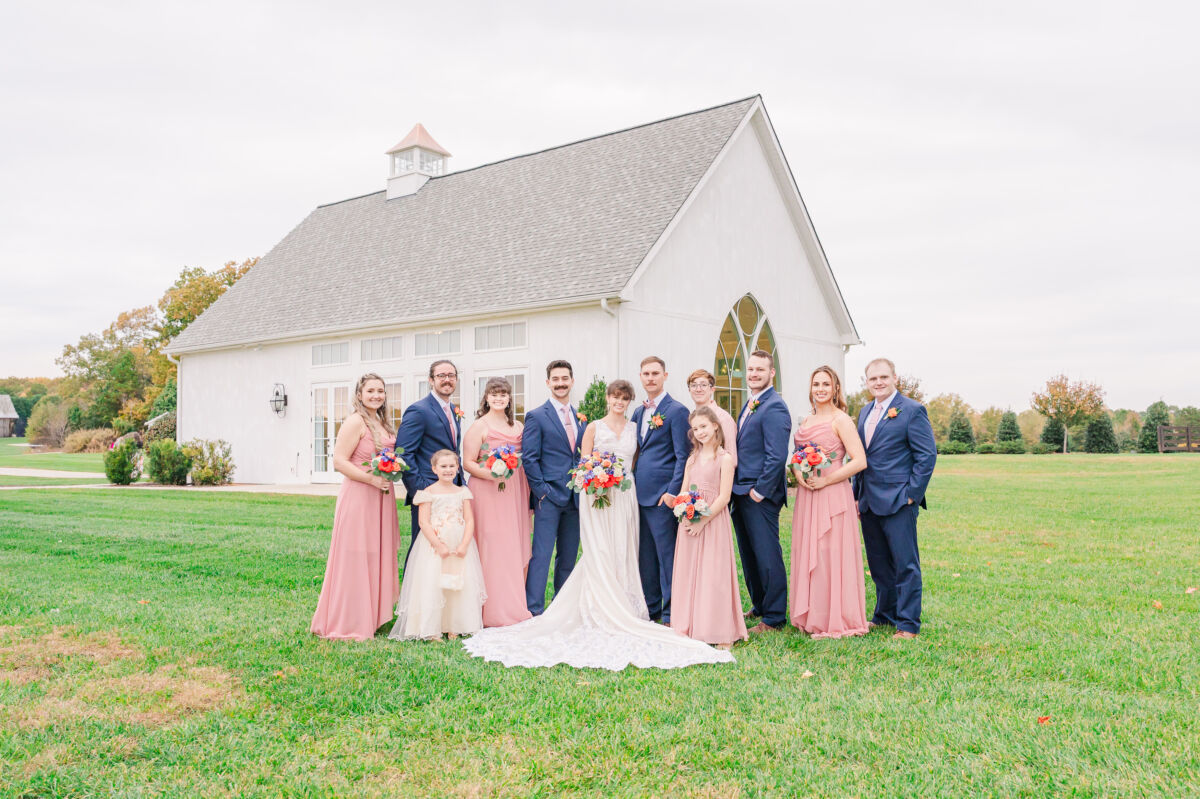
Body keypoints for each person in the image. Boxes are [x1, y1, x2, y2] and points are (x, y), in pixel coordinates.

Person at [463, 380, 733, 670]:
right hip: (597, 494)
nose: (619, 402)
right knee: (600, 549)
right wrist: (596, 479)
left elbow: (635, 461)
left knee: (624, 548)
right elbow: (583, 461)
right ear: (607, 399)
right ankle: (594, 604)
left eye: (624, 398)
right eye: (615, 397)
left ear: (629, 401)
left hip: (625, 495)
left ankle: (625, 604)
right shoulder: (592, 427)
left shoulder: (633, 427)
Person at [311, 373, 401, 640]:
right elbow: (339, 461)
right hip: (360, 495)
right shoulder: (354, 421)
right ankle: (349, 619)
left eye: (381, 391)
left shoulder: (381, 422)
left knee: (375, 552)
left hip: (381, 495)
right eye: (371, 391)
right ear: (359, 395)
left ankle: (372, 615)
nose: (376, 395)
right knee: (356, 555)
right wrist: (371, 479)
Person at [854, 357, 937, 640]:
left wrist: (912, 495)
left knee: (905, 564)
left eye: (883, 377)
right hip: (869, 500)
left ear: (894, 378)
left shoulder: (912, 410)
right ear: (867, 382)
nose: (878, 382)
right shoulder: (865, 412)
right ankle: (884, 614)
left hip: (899, 500)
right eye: (873, 379)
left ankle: (908, 623)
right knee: (878, 564)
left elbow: (926, 456)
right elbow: (861, 458)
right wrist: (856, 496)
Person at [789, 365, 869, 638]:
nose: (820, 389)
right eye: (816, 384)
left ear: (835, 388)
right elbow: (797, 457)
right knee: (810, 551)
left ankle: (836, 616)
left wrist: (827, 480)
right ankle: (813, 613)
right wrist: (798, 472)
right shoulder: (806, 421)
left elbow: (859, 461)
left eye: (825, 384)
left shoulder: (841, 420)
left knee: (829, 553)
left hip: (832, 493)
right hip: (808, 495)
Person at [670, 406, 748, 650]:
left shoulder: (724, 459)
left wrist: (703, 520)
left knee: (714, 575)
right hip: (690, 522)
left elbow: (724, 497)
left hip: (712, 523)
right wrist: (681, 509)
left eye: (703, 426)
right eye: (695, 428)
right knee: (689, 573)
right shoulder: (692, 459)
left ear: (715, 425)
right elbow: (684, 490)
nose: (700, 432)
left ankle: (718, 629)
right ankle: (689, 624)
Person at [390, 450, 486, 640]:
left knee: (458, 583)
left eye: (452, 466)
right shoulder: (428, 493)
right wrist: (438, 545)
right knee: (433, 582)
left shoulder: (463, 492)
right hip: (434, 546)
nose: (448, 470)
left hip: (458, 543)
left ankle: (455, 625)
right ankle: (432, 627)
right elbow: (423, 522)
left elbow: (469, 520)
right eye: (443, 466)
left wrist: (465, 544)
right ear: (434, 469)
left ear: (458, 468)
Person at [462, 377, 533, 628]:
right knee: (492, 546)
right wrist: (493, 474)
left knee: (513, 544)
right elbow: (468, 462)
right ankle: (490, 609)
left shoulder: (519, 426)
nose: (499, 398)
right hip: (487, 491)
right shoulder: (479, 426)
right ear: (486, 398)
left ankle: (514, 604)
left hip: (514, 490)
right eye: (494, 394)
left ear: (509, 398)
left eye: (503, 394)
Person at [731, 349, 791, 633]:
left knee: (767, 553)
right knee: (749, 552)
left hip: (759, 494)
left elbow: (777, 455)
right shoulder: (752, 403)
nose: (753, 374)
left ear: (772, 372)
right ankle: (760, 604)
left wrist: (760, 491)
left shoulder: (774, 406)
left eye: (760, 369)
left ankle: (775, 616)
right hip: (740, 491)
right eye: (750, 369)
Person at [521, 360, 586, 615]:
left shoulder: (580, 417)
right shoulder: (536, 416)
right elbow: (529, 458)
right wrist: (542, 491)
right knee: (542, 556)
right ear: (548, 383)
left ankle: (561, 608)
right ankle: (534, 609)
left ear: (572, 381)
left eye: (565, 378)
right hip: (548, 498)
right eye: (555, 379)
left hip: (575, 499)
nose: (560, 383)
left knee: (568, 558)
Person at [630, 356, 690, 623]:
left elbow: (682, 456)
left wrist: (672, 492)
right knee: (645, 558)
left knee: (667, 558)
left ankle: (670, 612)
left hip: (662, 498)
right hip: (637, 497)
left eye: (655, 373)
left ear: (665, 376)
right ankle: (652, 610)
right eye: (646, 374)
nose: (650, 378)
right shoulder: (638, 412)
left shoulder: (677, 411)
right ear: (640, 377)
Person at [395, 360, 464, 549]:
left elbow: (454, 452)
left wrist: (461, 484)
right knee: (423, 549)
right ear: (430, 380)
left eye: (451, 375)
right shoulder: (419, 410)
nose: (447, 380)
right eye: (441, 376)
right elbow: (403, 454)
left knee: (448, 543)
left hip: (451, 491)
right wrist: (422, 490)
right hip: (428, 492)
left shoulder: (453, 411)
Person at [685, 368, 738, 465]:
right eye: (694, 385)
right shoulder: (691, 418)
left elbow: (732, 458)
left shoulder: (723, 418)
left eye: (703, 385)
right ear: (689, 390)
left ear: (712, 389)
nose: (698, 389)